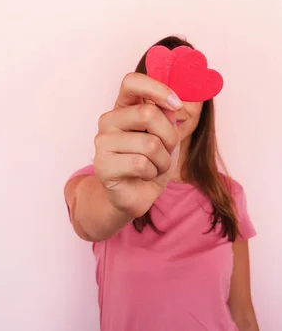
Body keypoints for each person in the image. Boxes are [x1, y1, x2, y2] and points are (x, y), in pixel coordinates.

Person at [64, 36, 259, 331]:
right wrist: (118, 201)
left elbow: (243, 312)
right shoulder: (105, 180)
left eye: (187, 86)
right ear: (142, 97)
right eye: (164, 87)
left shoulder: (229, 194)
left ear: (205, 103)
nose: (175, 105)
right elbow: (88, 217)